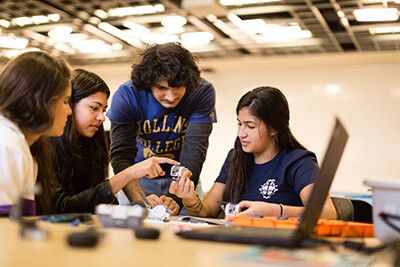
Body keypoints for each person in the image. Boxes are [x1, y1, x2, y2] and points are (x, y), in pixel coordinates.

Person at [169, 86, 337, 220]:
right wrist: (189, 198)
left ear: (274, 128)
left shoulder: (299, 161)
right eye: (239, 124)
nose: (241, 133)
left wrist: (274, 211)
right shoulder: (235, 157)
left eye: (250, 126)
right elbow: (207, 211)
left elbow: (327, 213)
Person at [49, 69, 180, 214]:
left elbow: (94, 203)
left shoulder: (91, 144)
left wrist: (146, 204)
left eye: (103, 110)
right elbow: (61, 206)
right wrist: (128, 174)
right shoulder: (48, 146)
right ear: (70, 105)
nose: (102, 117)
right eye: (94, 108)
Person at [107, 43, 217, 211]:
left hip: (183, 176)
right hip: (137, 179)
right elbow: (121, 156)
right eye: (161, 88)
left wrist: (176, 198)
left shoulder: (202, 91)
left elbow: (195, 149)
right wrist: (139, 199)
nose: (171, 97)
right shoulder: (127, 95)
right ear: (148, 84)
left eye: (177, 87)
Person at [0, 51, 72, 216]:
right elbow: (5, 231)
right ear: (41, 101)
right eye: (65, 101)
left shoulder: (22, 144)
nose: (69, 111)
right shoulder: (7, 144)